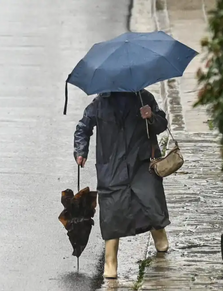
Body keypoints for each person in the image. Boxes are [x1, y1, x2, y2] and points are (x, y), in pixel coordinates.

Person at [73, 90, 170, 279]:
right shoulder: (100, 103)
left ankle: (160, 239)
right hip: (112, 167)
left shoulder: (144, 98)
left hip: (141, 164)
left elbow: (162, 124)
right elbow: (83, 127)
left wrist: (150, 117)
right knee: (112, 212)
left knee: (150, 202)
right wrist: (80, 150)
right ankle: (110, 263)